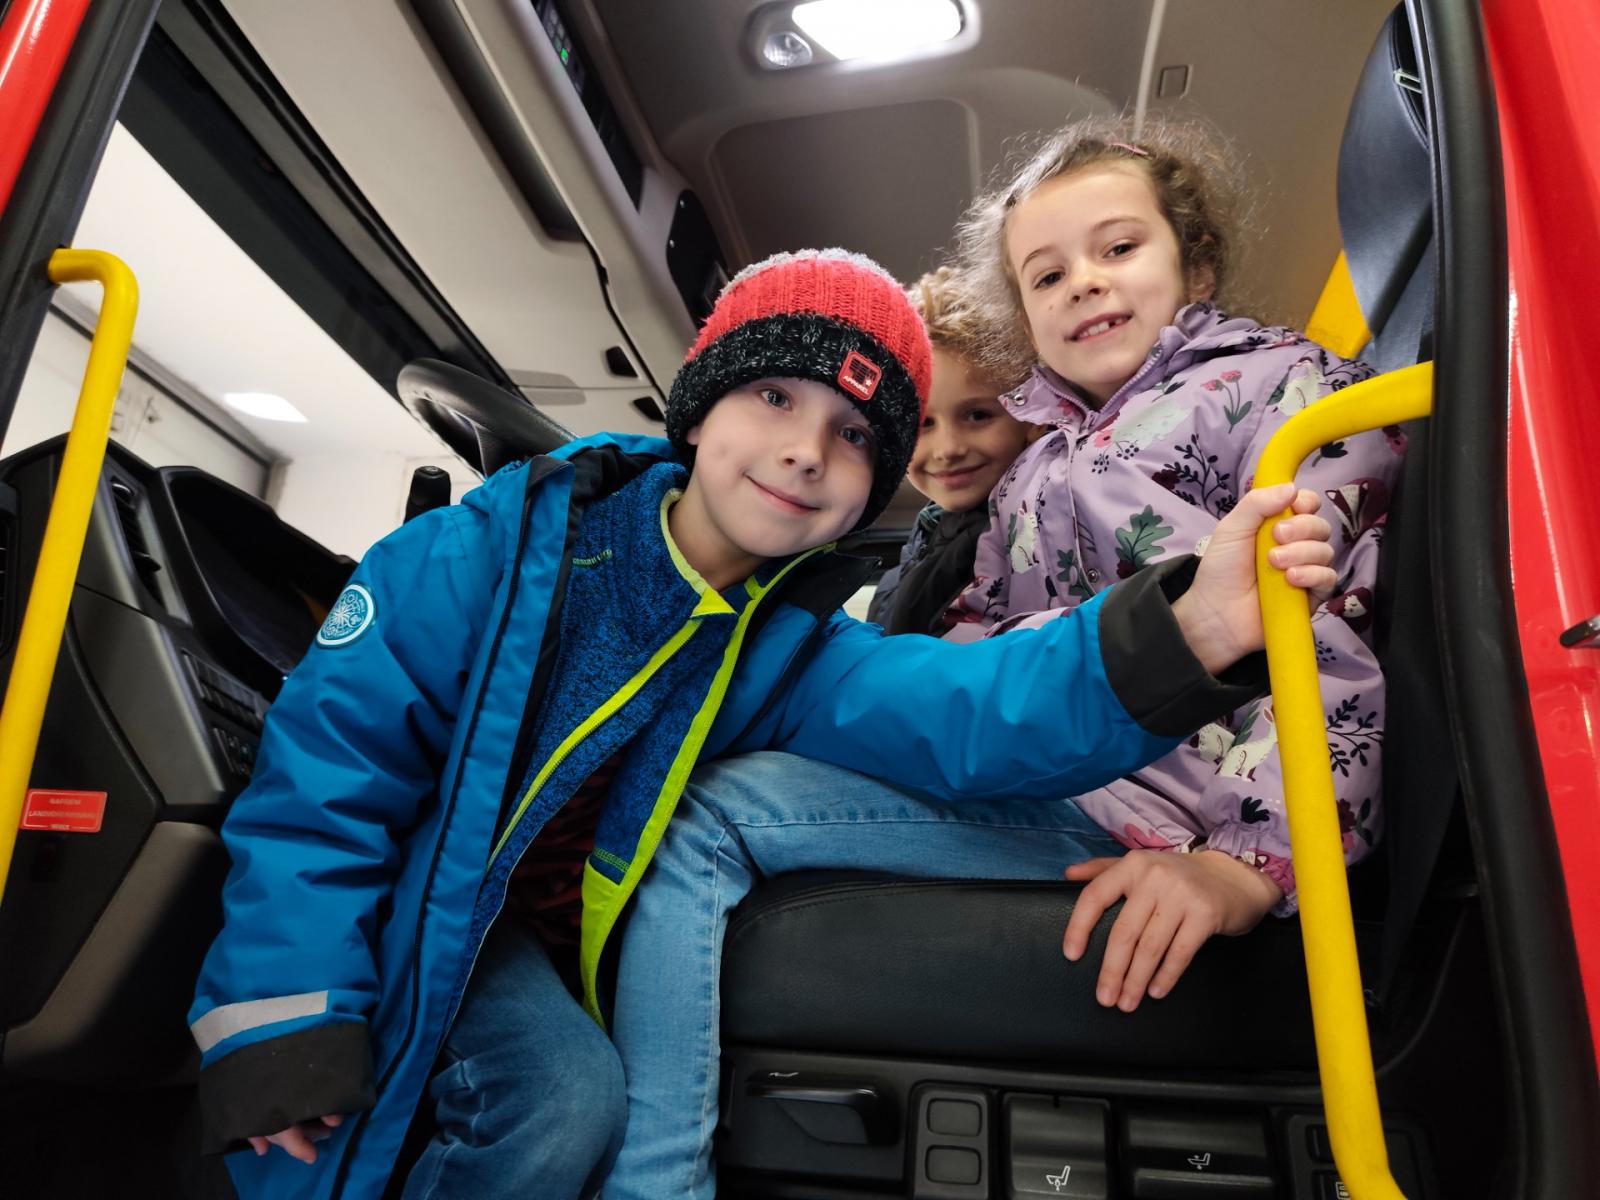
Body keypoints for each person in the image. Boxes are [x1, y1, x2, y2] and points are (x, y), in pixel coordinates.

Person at [187, 247, 1336, 1200]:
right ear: (699, 410)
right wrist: (281, 1017)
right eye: (775, 398)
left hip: (523, 940)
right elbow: (326, 777)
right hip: (406, 910)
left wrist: (1188, 629)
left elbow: (973, 710)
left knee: (568, 1097)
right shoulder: (489, 552)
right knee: (534, 1104)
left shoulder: (785, 647)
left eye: (854, 436)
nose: (805, 451)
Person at [602, 117, 1400, 1200]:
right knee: (711, 784)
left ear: (1198, 263)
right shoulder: (1034, 468)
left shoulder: (1281, 395)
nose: (1084, 283)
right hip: (1045, 776)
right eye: (1047, 274)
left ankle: (649, 1184)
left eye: (1119, 248)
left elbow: (1326, 641)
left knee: (707, 817)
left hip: (1167, 811)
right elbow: (978, 641)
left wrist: (1246, 865)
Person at [867, 265, 1032, 635]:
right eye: (923, 424)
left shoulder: (1031, 543)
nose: (948, 449)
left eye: (977, 415)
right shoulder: (923, 543)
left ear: (1027, 416)